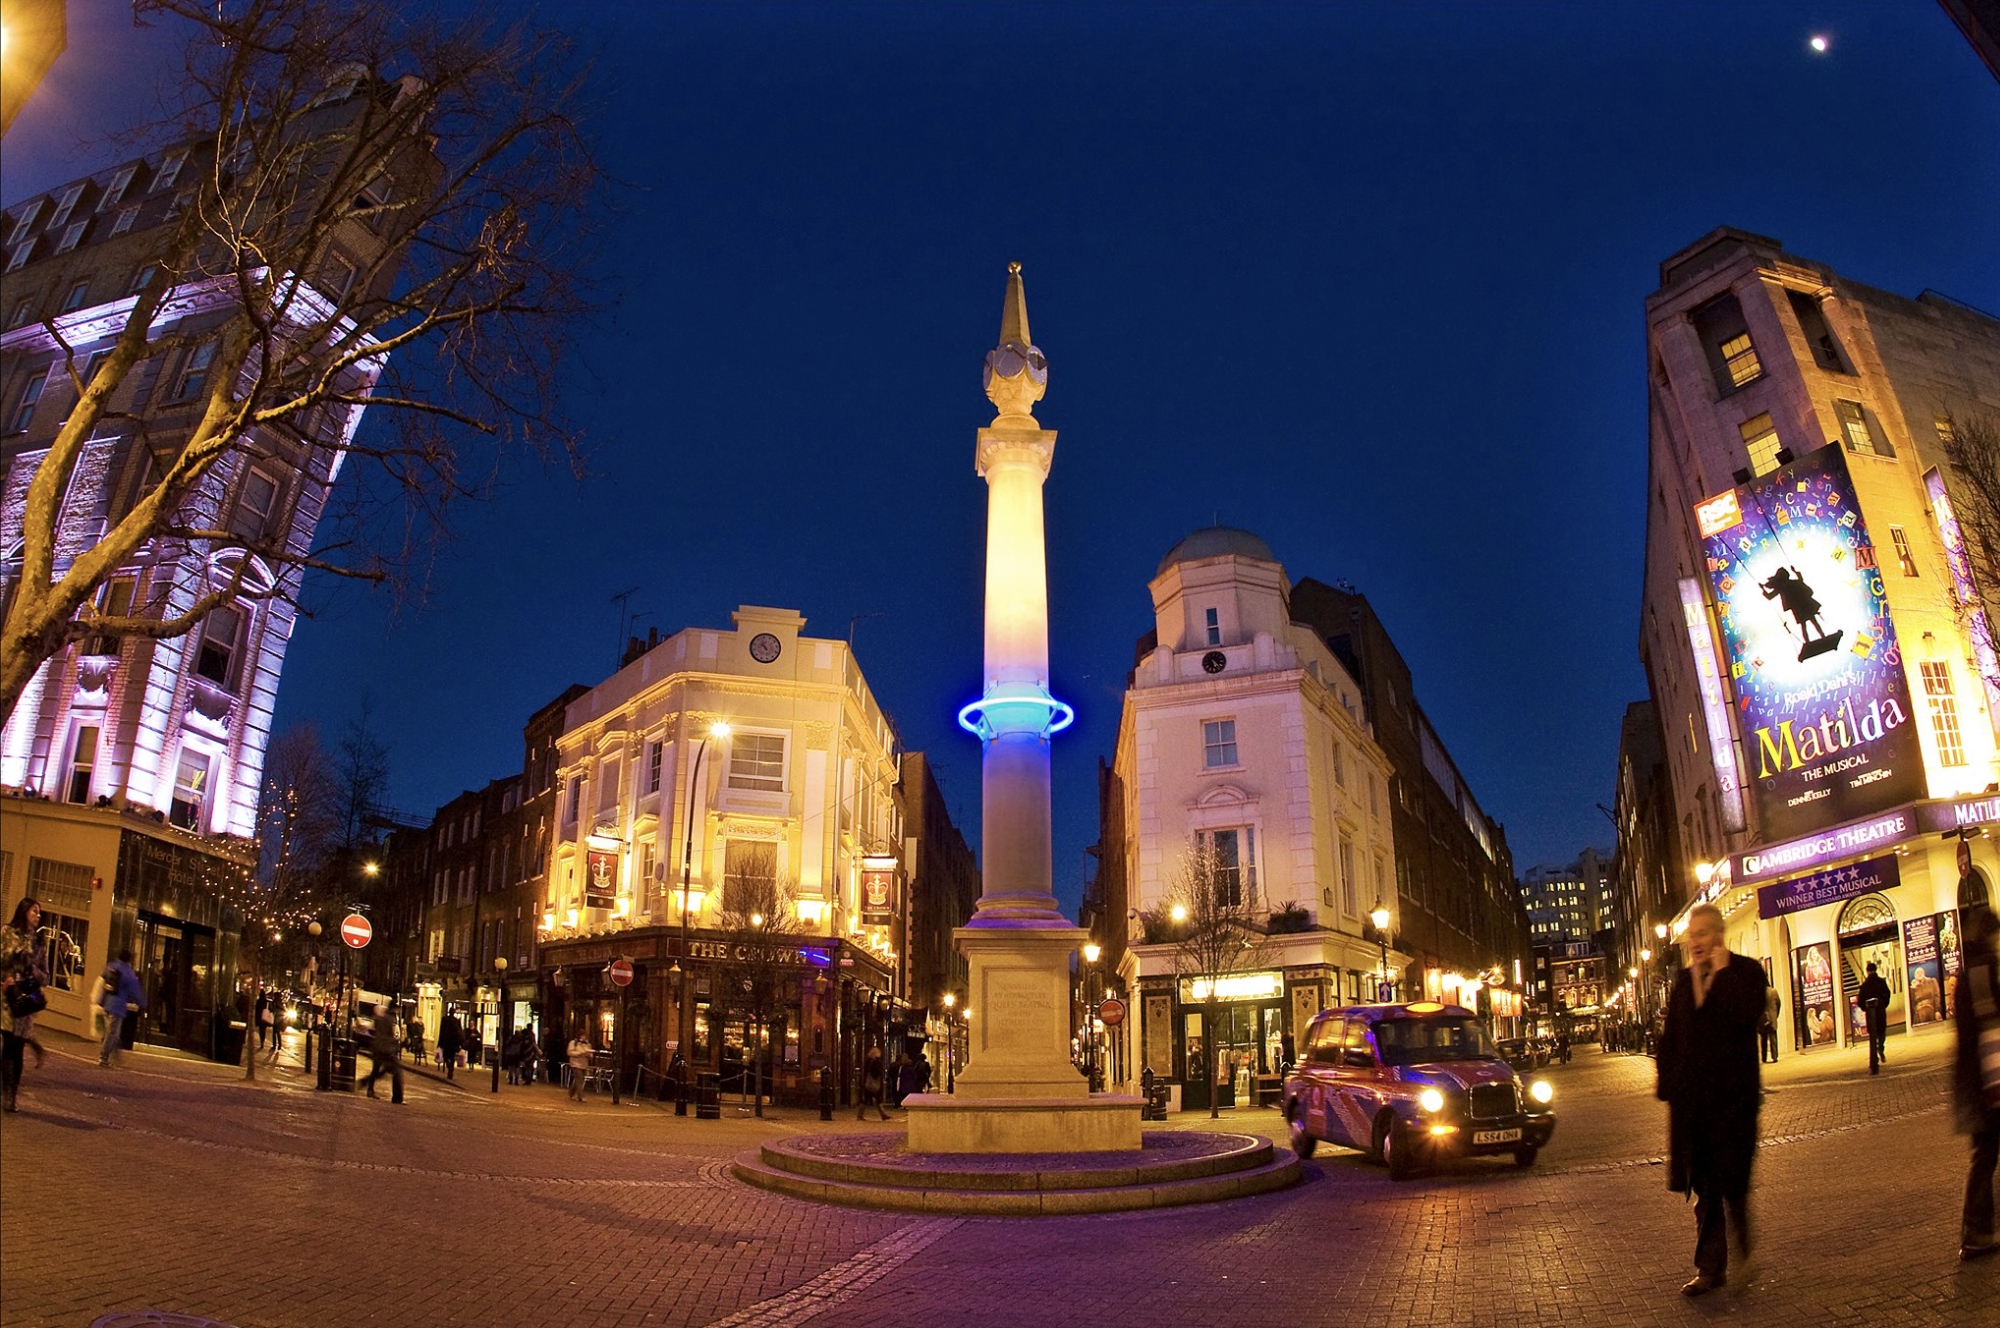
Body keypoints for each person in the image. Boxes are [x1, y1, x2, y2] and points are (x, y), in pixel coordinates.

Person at [1656, 903, 1768, 1297]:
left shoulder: (1746, 973)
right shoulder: (1683, 983)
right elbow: (1671, 1040)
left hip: (1733, 1105)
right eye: (1692, 934)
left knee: (1734, 1183)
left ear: (1718, 935)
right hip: (1695, 1109)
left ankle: (1745, 1251)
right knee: (1704, 1188)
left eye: (1702, 933)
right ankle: (1710, 1268)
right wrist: (1667, 1082)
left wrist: (1719, 978)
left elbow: (1747, 1014)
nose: (1695, 942)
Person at [1954, 909, 2000, 1262]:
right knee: (1985, 1156)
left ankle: (1977, 1231)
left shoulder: (1969, 971)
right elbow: (1988, 1025)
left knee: (1984, 1155)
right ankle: (1976, 1232)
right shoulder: (1985, 970)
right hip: (1991, 1079)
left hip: (1978, 1079)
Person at [1, 898, 51, 1113]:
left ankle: (12, 1095)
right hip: (6, 997)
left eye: (39, 913)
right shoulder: (7, 932)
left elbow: (46, 976)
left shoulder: (38, 942)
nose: (38, 915)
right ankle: (5, 1091)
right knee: (9, 1044)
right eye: (34, 911)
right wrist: (6, 979)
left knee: (18, 1048)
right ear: (24, 911)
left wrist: (32, 969)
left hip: (25, 1001)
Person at [98, 948, 146, 1068]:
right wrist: (143, 1003)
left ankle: (114, 1055)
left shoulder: (111, 966)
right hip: (118, 1005)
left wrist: (101, 1001)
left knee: (113, 1031)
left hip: (107, 1002)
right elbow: (135, 991)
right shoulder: (128, 972)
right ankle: (104, 1057)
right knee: (112, 1032)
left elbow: (102, 982)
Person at [360, 1004, 403, 1102]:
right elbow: (392, 1034)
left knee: (377, 1069)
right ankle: (397, 1097)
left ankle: (368, 1087)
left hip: (378, 1047)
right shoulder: (390, 1019)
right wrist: (395, 1042)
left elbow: (372, 1032)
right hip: (386, 1048)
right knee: (393, 1070)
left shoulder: (377, 1020)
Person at [1858, 962, 1891, 1073]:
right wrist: (1883, 1005)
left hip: (1870, 1014)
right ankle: (1880, 1047)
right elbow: (1887, 993)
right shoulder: (1881, 982)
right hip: (1880, 1011)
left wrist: (1865, 1009)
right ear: (1876, 970)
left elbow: (1860, 1001)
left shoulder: (1864, 985)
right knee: (1882, 1032)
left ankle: (1874, 1062)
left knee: (1872, 1036)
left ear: (1867, 971)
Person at [857, 1046, 890, 1121]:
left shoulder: (868, 1061)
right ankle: (883, 1115)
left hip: (868, 1083)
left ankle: (860, 1115)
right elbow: (875, 1072)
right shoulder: (875, 1062)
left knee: (866, 1099)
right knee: (877, 1099)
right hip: (873, 1083)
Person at [566, 1027, 595, 1103]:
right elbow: (569, 1052)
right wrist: (579, 1054)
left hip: (584, 1064)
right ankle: (580, 1096)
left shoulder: (587, 1044)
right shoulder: (573, 1043)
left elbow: (591, 1055)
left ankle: (571, 1092)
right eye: (582, 1036)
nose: (584, 1037)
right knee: (580, 1079)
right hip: (576, 1063)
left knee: (578, 1079)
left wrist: (589, 1055)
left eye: (585, 1036)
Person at [438, 1008, 464, 1081]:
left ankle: (449, 1067)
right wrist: (460, 1043)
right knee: (452, 1057)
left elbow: (441, 1031)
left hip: (446, 1042)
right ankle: (451, 1069)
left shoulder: (445, 1019)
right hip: (454, 1042)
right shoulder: (456, 1021)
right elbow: (460, 1032)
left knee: (446, 1056)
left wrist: (440, 1042)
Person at [1760, 985, 1782, 1064]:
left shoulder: (1760, 993)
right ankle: (1775, 1056)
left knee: (1764, 1038)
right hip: (1772, 1017)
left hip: (1763, 1017)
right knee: (1773, 1037)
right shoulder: (1774, 991)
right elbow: (1779, 1003)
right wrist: (1775, 1014)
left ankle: (1764, 1057)